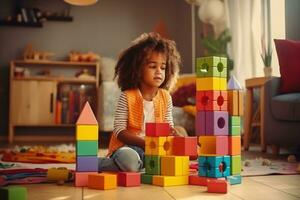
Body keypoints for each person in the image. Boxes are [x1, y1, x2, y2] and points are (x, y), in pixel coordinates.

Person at [98, 32, 181, 172]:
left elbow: (168, 126)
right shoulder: (127, 96)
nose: (159, 72)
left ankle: (138, 167)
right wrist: (144, 143)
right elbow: (119, 131)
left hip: (154, 150)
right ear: (137, 69)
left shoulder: (166, 97)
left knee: (169, 163)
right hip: (127, 148)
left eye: (163, 67)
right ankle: (96, 163)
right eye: (153, 66)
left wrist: (175, 134)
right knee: (129, 162)